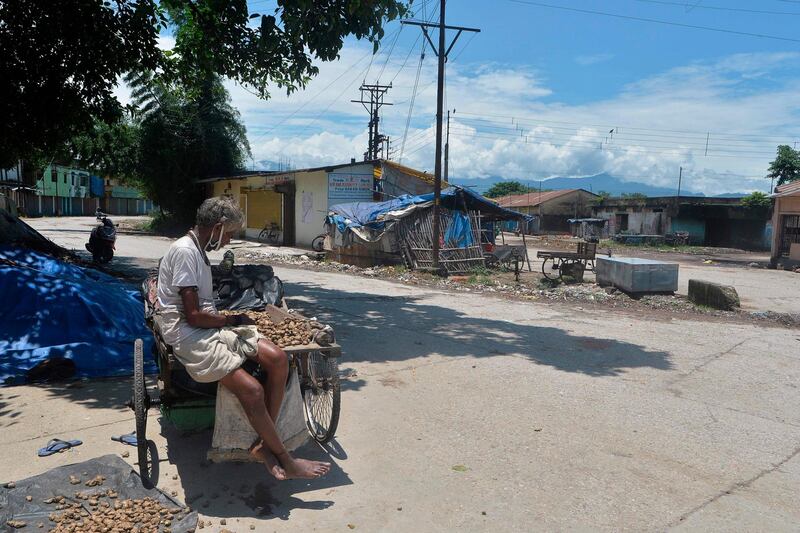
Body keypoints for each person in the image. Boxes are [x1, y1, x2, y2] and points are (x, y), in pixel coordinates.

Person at [155, 197, 330, 480]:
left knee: (278, 359)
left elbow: (203, 311)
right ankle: (284, 457)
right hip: (189, 334)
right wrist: (232, 319)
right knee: (253, 391)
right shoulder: (186, 252)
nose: (228, 241)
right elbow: (194, 316)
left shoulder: (198, 249)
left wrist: (229, 321)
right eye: (230, 234)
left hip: (209, 326)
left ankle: (264, 444)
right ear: (218, 226)